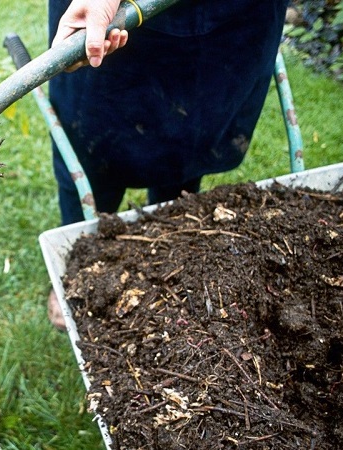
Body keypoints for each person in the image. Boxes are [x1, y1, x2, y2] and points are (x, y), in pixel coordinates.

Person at [46, 0, 290, 329]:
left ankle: (168, 256)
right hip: (119, 26)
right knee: (90, 148)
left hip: (232, 22)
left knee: (192, 140)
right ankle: (77, 264)